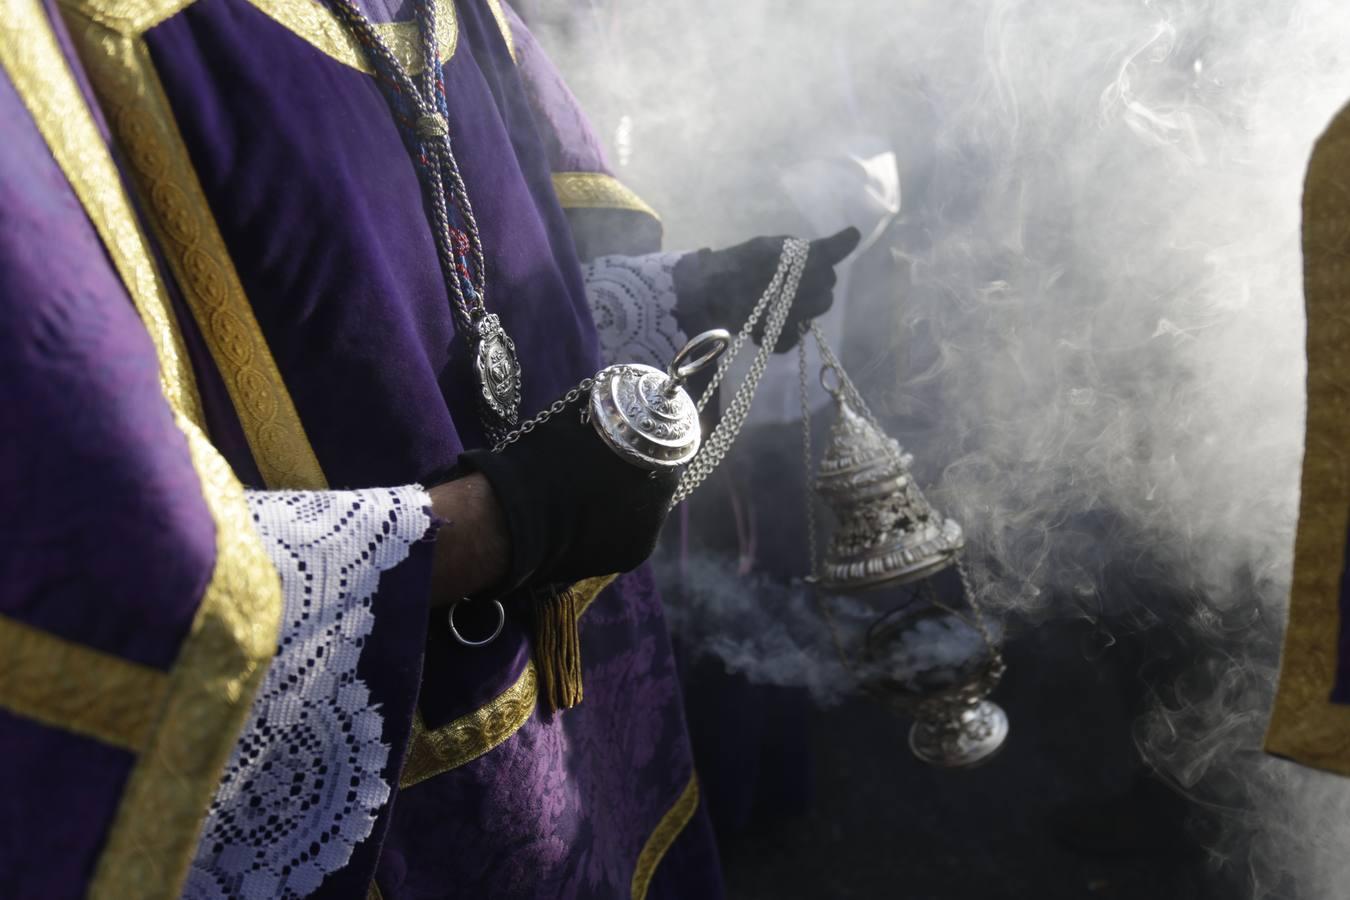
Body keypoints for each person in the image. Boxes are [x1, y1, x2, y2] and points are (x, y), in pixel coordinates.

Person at [0, 0, 855, 897]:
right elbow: (75, 551)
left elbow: (467, 316)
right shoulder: (67, 35)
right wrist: (487, 526)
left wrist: (678, 295)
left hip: (575, 727)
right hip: (384, 793)